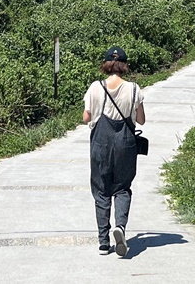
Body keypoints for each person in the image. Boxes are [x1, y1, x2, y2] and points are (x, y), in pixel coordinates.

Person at [83, 45, 146, 257]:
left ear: (107, 64)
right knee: (122, 187)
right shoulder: (135, 89)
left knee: (101, 189)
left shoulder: (95, 87)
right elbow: (141, 120)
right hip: (125, 144)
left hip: (101, 143)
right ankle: (120, 226)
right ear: (124, 65)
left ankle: (103, 242)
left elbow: (86, 118)